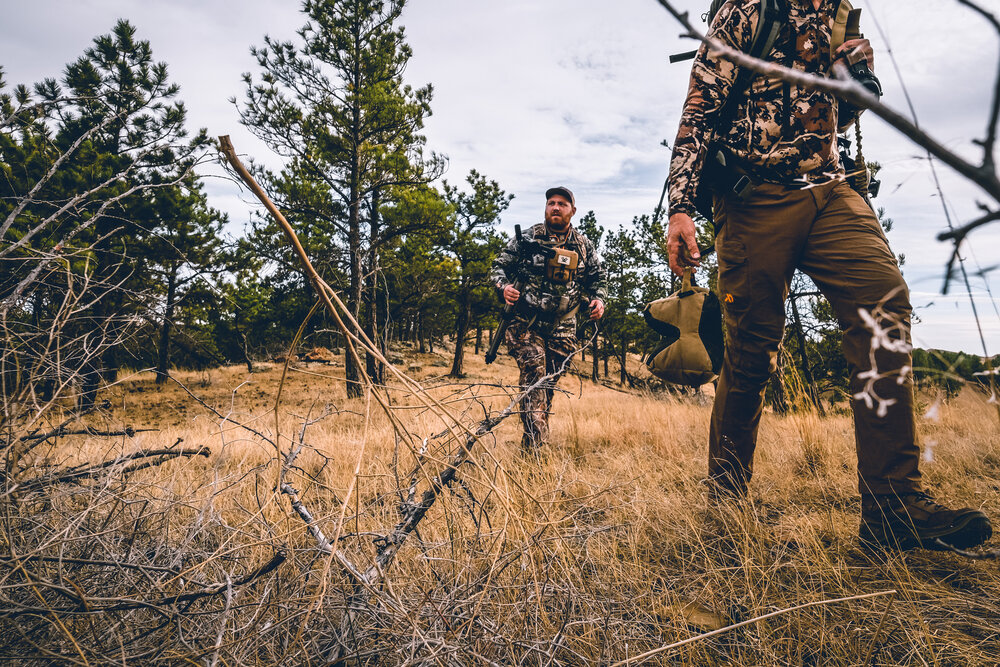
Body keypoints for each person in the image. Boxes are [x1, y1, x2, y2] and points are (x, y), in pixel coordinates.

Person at [665, 0, 991, 550]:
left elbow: (838, 113)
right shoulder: (750, 9)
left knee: (883, 309)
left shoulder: (840, 16)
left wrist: (860, 75)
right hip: (753, 196)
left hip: (831, 190)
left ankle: (892, 507)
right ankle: (724, 505)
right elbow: (700, 107)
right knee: (750, 354)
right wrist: (681, 206)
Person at [490, 186, 608, 449]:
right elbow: (498, 267)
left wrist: (599, 300)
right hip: (525, 323)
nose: (556, 207)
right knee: (534, 379)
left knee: (546, 386)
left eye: (562, 204)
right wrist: (504, 288)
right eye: (551, 203)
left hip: (564, 328)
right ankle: (536, 452)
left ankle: (531, 444)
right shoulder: (528, 237)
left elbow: (598, 278)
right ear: (546, 208)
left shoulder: (583, 245)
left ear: (572, 211)